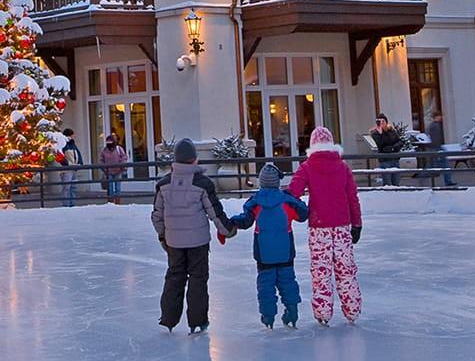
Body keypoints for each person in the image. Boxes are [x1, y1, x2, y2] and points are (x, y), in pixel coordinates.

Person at [151, 138, 236, 334]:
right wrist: (228, 230)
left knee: (174, 276)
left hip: (174, 242)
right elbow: (215, 212)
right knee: (198, 279)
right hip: (198, 242)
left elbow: (157, 216)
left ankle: (169, 318)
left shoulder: (163, 185)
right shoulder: (202, 183)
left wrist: (163, 236)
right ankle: (197, 321)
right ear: (194, 160)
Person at [287, 126, 363, 325]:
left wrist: (297, 211)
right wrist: (357, 223)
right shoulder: (343, 167)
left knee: (321, 271)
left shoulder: (307, 166)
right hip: (342, 226)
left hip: (319, 226)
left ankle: (322, 312)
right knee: (345, 269)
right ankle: (352, 309)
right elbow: (352, 198)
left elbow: (293, 192)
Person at [231, 163, 308, 329]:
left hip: (264, 253)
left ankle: (268, 316)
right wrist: (293, 197)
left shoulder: (255, 202)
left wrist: (231, 222)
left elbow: (245, 221)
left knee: (266, 284)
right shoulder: (287, 201)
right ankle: (292, 311)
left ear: (261, 182)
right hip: (285, 251)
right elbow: (303, 214)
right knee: (288, 281)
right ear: (277, 183)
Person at [369, 114, 401, 186]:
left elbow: (399, 142)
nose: (382, 123)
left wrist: (393, 147)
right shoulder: (375, 133)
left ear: (386, 122)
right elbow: (381, 145)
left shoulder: (392, 131)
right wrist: (381, 133)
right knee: (387, 183)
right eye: (379, 121)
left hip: (395, 159)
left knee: (396, 182)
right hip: (385, 160)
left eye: (383, 121)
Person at [425, 111, 455, 187]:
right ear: (436, 117)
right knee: (444, 164)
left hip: (436, 147)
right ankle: (447, 181)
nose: (441, 117)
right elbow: (435, 138)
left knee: (438, 165)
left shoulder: (433, 125)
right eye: (439, 116)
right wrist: (437, 147)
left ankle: (447, 180)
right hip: (437, 147)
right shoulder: (435, 126)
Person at [100, 133, 127, 204]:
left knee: (118, 187)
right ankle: (110, 202)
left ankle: (118, 202)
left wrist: (121, 166)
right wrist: (105, 169)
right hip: (108, 171)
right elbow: (101, 160)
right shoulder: (104, 150)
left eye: (110, 142)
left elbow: (124, 157)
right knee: (110, 188)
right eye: (108, 142)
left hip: (118, 171)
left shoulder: (119, 149)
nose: (109, 144)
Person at [60, 128, 83, 207]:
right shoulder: (63, 144)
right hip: (67, 169)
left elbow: (78, 154)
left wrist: (80, 163)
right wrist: (67, 164)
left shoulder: (72, 144)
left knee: (73, 187)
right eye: (73, 135)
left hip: (74, 168)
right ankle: (66, 204)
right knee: (67, 187)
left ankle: (72, 203)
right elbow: (60, 156)